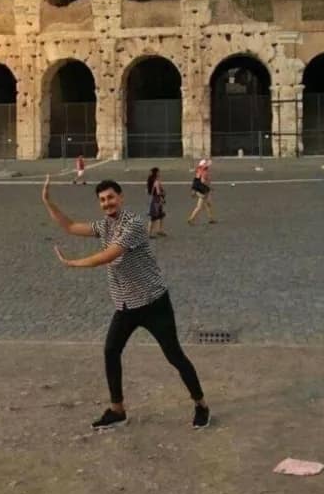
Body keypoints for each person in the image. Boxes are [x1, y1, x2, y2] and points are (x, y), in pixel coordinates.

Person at [42, 176, 210, 431]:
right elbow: (71, 226)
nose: (107, 203)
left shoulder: (134, 224)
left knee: (174, 355)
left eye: (110, 197)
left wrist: (74, 263)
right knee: (111, 351)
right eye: (102, 200)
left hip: (153, 303)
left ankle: (201, 405)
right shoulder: (105, 225)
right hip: (125, 306)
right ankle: (117, 410)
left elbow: (109, 255)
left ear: (120, 198)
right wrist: (48, 202)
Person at [188, 159, 216, 225]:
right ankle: (191, 219)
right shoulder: (204, 171)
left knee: (206, 204)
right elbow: (203, 181)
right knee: (203, 205)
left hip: (199, 188)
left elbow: (192, 170)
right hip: (203, 189)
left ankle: (211, 218)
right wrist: (210, 186)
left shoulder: (199, 169)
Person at [146, 167, 167, 238]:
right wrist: (162, 199)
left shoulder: (154, 181)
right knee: (154, 217)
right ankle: (149, 233)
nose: (159, 173)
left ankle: (159, 230)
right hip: (156, 201)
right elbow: (158, 192)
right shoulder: (156, 182)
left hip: (156, 200)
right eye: (158, 172)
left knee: (160, 215)